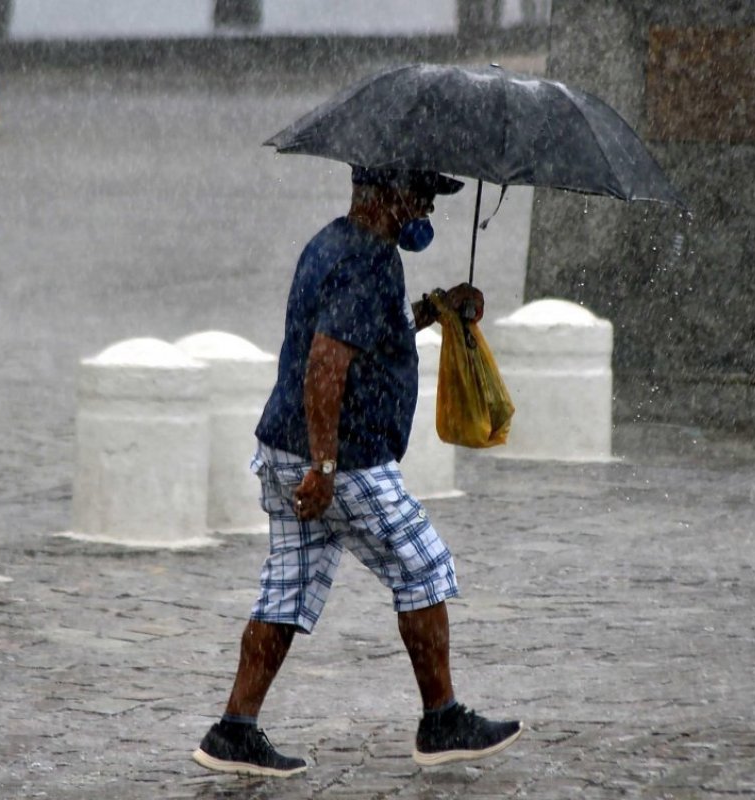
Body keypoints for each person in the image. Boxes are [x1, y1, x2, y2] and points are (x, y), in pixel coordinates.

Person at [191, 165, 524, 777]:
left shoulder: (335, 242)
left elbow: (375, 332)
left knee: (287, 587)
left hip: (286, 447)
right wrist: (324, 467)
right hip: (343, 459)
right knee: (424, 567)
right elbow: (326, 362)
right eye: (421, 192)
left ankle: (233, 730)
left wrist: (438, 308)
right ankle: (442, 719)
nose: (427, 205)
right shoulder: (368, 260)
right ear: (387, 193)